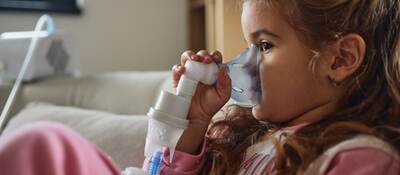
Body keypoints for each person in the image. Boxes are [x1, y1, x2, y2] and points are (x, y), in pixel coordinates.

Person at [0, 0, 399, 174]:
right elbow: (157, 169)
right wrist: (188, 120)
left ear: (341, 59)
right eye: (248, 45)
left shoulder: (356, 159)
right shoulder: (240, 131)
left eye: (264, 45)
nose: (245, 61)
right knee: (42, 143)